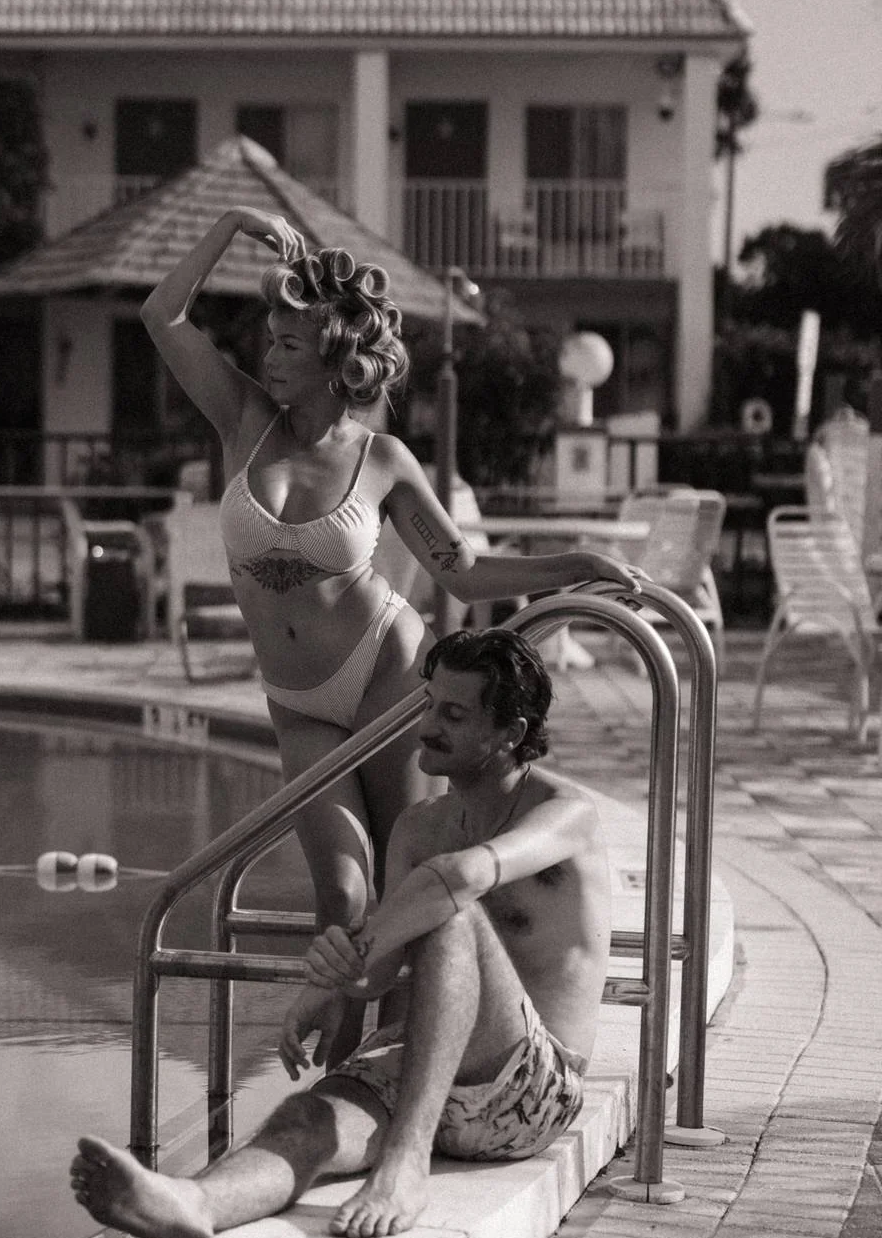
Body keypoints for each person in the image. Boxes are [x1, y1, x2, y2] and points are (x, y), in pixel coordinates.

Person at [141, 207, 633, 958]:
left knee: (406, 888)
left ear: (336, 361)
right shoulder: (242, 417)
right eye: (270, 341)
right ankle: (346, 1058)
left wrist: (576, 566)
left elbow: (462, 574)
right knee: (341, 895)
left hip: (389, 677)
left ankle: (399, 1055)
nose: (270, 357)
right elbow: (162, 314)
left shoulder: (383, 459)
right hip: (297, 701)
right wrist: (234, 225)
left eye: (289, 345)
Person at [70, 628, 611, 1238]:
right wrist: (344, 976)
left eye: (453, 714)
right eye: (429, 704)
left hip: (532, 1087)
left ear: (509, 734)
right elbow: (380, 976)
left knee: (451, 911)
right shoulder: (420, 826)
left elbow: (459, 880)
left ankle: (404, 1166)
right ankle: (194, 1203)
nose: (427, 725)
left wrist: (331, 971)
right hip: (426, 1072)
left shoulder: (567, 814)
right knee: (306, 1119)